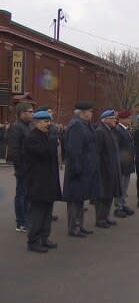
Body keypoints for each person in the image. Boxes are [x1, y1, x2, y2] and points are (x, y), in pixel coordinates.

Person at [23, 110, 61, 252]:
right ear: (36, 123)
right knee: (37, 213)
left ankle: (44, 237)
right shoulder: (31, 138)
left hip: (49, 180)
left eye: (49, 121)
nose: (48, 124)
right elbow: (44, 153)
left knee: (47, 211)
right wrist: (52, 139)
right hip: (37, 181)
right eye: (45, 122)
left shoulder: (46, 136)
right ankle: (33, 241)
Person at [63, 102, 99, 237]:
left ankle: (80, 225)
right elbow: (74, 149)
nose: (91, 114)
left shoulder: (85, 125)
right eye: (89, 111)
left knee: (81, 198)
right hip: (77, 169)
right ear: (82, 112)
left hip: (85, 168)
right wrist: (77, 168)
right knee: (74, 199)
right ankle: (73, 227)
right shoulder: (76, 126)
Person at [7, 102, 33, 232]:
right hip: (23, 167)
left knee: (27, 194)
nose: (32, 114)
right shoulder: (17, 127)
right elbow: (14, 150)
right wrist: (19, 167)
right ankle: (21, 222)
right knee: (21, 194)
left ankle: (27, 218)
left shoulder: (28, 126)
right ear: (22, 113)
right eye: (30, 111)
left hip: (30, 166)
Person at [94, 109, 123, 228]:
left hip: (112, 168)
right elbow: (97, 153)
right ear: (105, 120)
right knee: (103, 195)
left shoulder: (110, 131)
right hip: (104, 170)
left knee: (109, 194)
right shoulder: (100, 132)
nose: (115, 121)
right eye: (112, 119)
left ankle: (105, 217)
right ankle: (100, 219)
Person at [113, 110, 136, 216]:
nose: (130, 120)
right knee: (120, 186)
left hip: (127, 162)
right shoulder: (118, 130)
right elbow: (118, 148)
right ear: (122, 119)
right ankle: (118, 207)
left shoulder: (126, 130)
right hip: (122, 163)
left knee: (125, 186)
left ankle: (123, 204)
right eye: (128, 118)